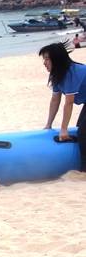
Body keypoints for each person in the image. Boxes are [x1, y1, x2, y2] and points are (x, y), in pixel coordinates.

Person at [40, 42, 86, 172]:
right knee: (79, 128)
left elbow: (69, 103)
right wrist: (48, 124)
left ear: (57, 59)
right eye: (44, 59)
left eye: (47, 59)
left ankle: (84, 170)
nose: (44, 63)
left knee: (83, 132)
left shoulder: (72, 72)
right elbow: (55, 100)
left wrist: (64, 129)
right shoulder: (57, 75)